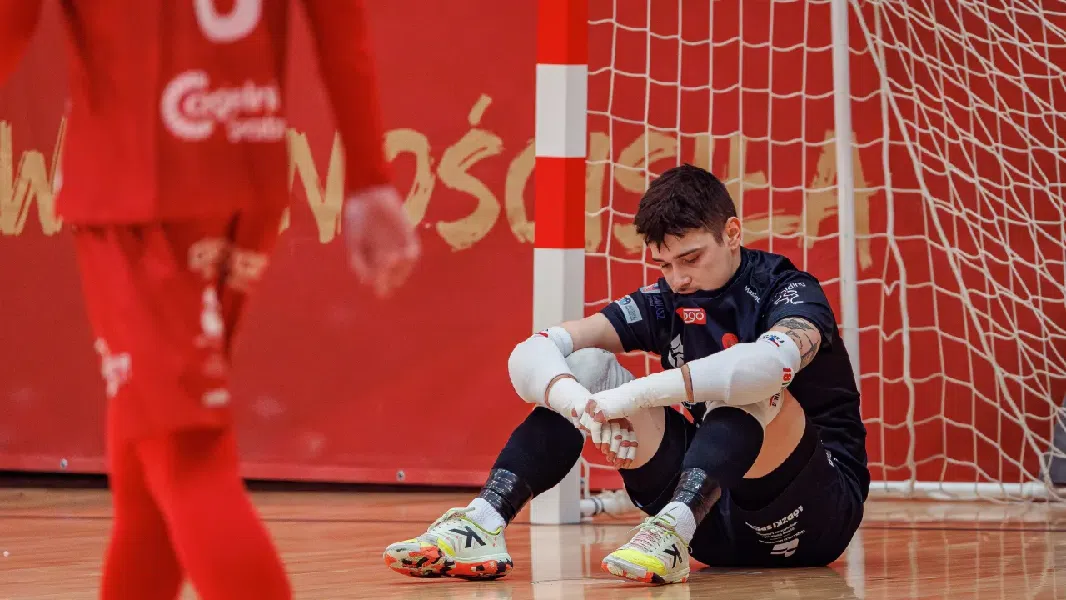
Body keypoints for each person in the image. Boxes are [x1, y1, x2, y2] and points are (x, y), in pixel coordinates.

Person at [0, 2, 419, 599]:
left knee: (186, 457)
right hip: (246, 174)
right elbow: (340, 24)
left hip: (136, 189)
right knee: (146, 470)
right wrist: (369, 178)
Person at [383, 164, 868, 584]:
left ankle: (673, 525)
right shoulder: (666, 299)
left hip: (814, 515)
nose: (678, 278)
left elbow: (765, 367)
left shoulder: (788, 289)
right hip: (712, 527)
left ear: (733, 233)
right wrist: (588, 410)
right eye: (664, 265)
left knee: (752, 385)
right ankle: (483, 521)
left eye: (691, 259)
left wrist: (632, 397)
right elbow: (532, 353)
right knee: (586, 366)